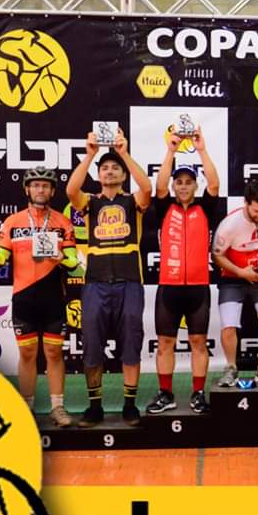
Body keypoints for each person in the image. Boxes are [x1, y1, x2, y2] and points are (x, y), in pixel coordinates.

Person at [66, 128, 153, 427]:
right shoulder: (90, 203)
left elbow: (147, 188)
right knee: (92, 346)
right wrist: (90, 154)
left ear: (123, 174)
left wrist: (124, 153)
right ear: (98, 174)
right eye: (105, 168)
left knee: (131, 344)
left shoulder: (133, 202)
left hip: (130, 283)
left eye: (116, 167)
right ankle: (95, 407)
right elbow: (70, 192)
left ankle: (129, 405)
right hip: (95, 284)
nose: (110, 171)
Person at [0, 167, 77, 427]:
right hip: (24, 298)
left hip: (53, 299)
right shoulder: (12, 222)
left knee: (54, 353)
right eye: (35, 185)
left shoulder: (62, 222)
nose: (40, 190)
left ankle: (57, 407)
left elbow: (74, 263)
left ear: (53, 191)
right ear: (27, 189)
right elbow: (1, 260)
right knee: (27, 354)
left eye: (45, 186)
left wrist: (62, 257)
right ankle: (26, 408)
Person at [145, 125, 223, 416]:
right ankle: (165, 393)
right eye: (179, 182)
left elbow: (214, 183)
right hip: (169, 286)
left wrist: (201, 149)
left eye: (189, 182)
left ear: (195, 186)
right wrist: (171, 150)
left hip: (198, 288)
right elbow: (159, 186)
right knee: (165, 343)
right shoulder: (164, 207)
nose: (183, 186)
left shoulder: (206, 207)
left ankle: (198, 393)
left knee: (198, 342)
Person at [211, 178, 258, 387]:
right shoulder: (229, 225)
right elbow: (217, 256)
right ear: (246, 203)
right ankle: (231, 367)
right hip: (232, 278)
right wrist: (242, 273)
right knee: (229, 324)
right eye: (256, 211)